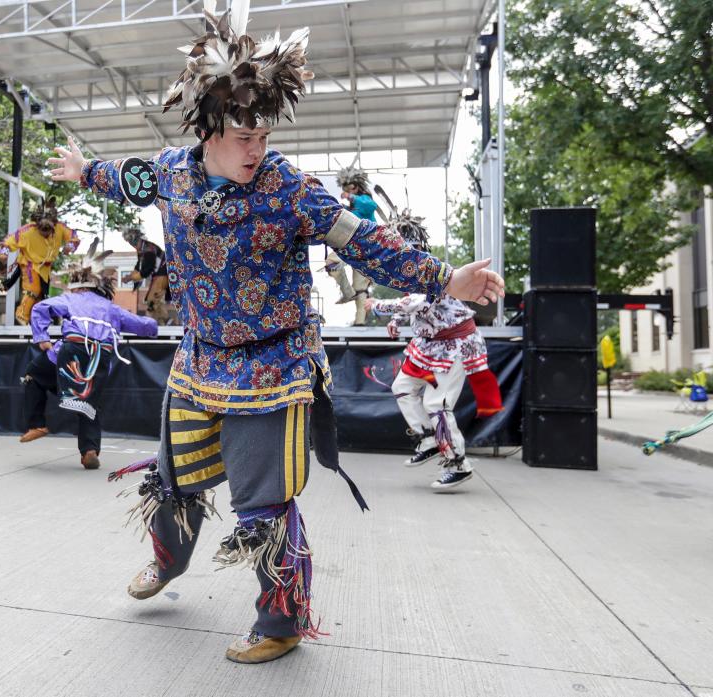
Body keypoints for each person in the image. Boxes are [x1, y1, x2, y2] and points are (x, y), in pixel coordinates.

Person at [48, 0, 503, 665]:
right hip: (199, 356)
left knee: (262, 501)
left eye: (263, 136)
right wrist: (83, 170)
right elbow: (125, 178)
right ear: (208, 129)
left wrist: (445, 276)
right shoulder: (171, 171)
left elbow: (364, 241)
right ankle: (168, 563)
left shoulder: (289, 187)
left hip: (274, 360)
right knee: (174, 479)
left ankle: (283, 618)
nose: (257, 150)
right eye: (243, 137)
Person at [367, 212, 504, 491]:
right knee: (402, 386)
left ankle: (459, 463)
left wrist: (378, 307)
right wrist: (395, 321)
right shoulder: (409, 272)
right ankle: (428, 437)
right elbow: (417, 306)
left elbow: (415, 302)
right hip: (431, 345)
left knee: (436, 404)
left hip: (455, 346)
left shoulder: (430, 269)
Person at [20, 239, 158, 468]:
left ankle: (37, 423)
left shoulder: (71, 299)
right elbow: (144, 325)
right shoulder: (110, 308)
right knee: (88, 401)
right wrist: (155, 324)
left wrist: (42, 338)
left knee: (33, 374)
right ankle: (89, 450)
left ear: (78, 283)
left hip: (71, 352)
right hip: (99, 359)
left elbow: (40, 308)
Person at [0, 197, 80, 325]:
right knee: (33, 289)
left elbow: (73, 237)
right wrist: (3, 253)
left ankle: (35, 320)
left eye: (48, 230)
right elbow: (8, 241)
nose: (45, 233)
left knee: (43, 295)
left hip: (46, 267)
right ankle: (21, 316)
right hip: (29, 263)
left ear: (54, 225)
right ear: (37, 225)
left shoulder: (60, 228)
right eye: (42, 230)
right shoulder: (27, 231)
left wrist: (70, 247)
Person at [324, 165, 386, 326]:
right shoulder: (351, 208)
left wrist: (351, 198)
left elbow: (370, 206)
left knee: (360, 286)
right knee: (332, 262)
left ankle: (360, 322)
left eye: (350, 188)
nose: (347, 191)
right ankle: (347, 292)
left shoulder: (364, 201)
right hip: (350, 245)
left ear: (356, 187)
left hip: (366, 246)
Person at [122, 227, 171, 324]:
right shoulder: (142, 249)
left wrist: (131, 278)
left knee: (152, 299)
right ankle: (162, 321)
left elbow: (146, 271)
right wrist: (131, 276)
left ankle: (163, 321)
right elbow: (139, 266)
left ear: (136, 241)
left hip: (163, 272)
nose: (132, 245)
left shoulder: (149, 250)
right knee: (151, 300)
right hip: (160, 273)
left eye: (132, 243)